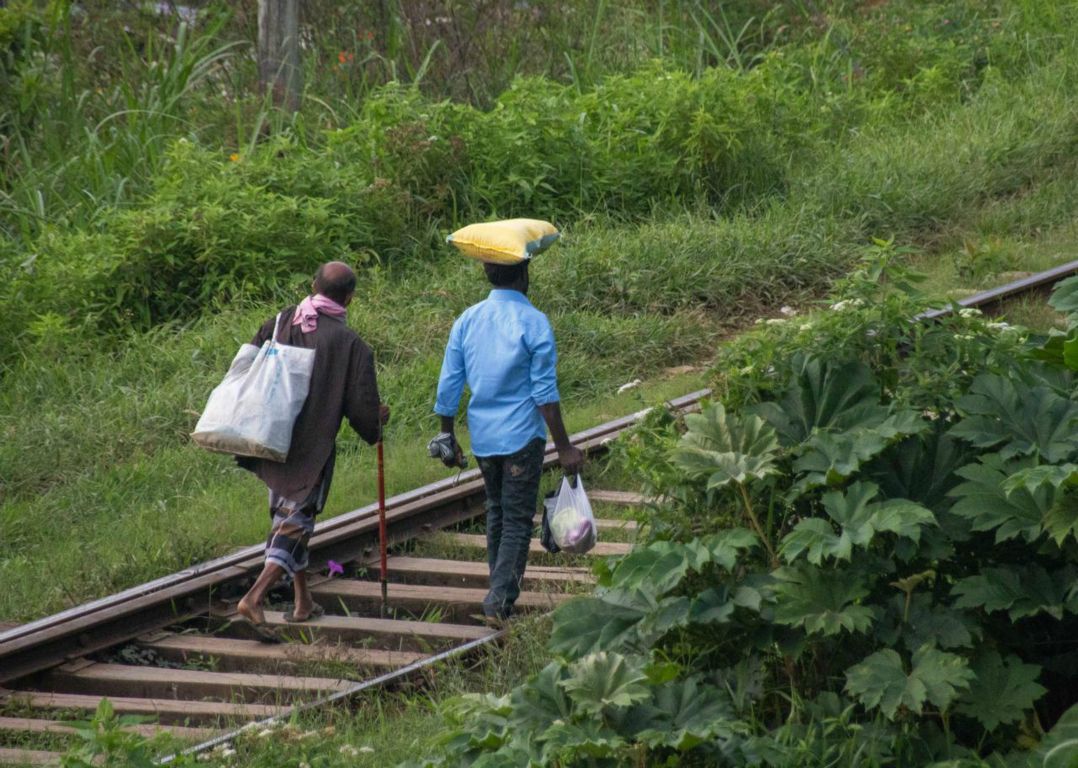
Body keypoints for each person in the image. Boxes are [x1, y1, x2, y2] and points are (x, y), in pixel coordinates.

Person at [236, 261, 388, 629]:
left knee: (287, 516)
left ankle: (303, 601)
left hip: (270, 438)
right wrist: (377, 420)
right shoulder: (351, 345)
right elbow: (362, 410)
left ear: (312, 284)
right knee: (296, 521)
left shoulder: (282, 320)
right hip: (311, 451)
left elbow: (245, 364)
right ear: (349, 298)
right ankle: (255, 597)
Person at [432, 259, 584, 624]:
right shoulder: (534, 322)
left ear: (489, 275)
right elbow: (544, 393)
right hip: (521, 437)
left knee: (497, 510)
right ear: (524, 274)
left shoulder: (467, 319)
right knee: (516, 518)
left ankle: (498, 591)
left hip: (483, 436)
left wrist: (447, 432)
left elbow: (450, 382)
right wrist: (564, 446)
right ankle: (499, 601)